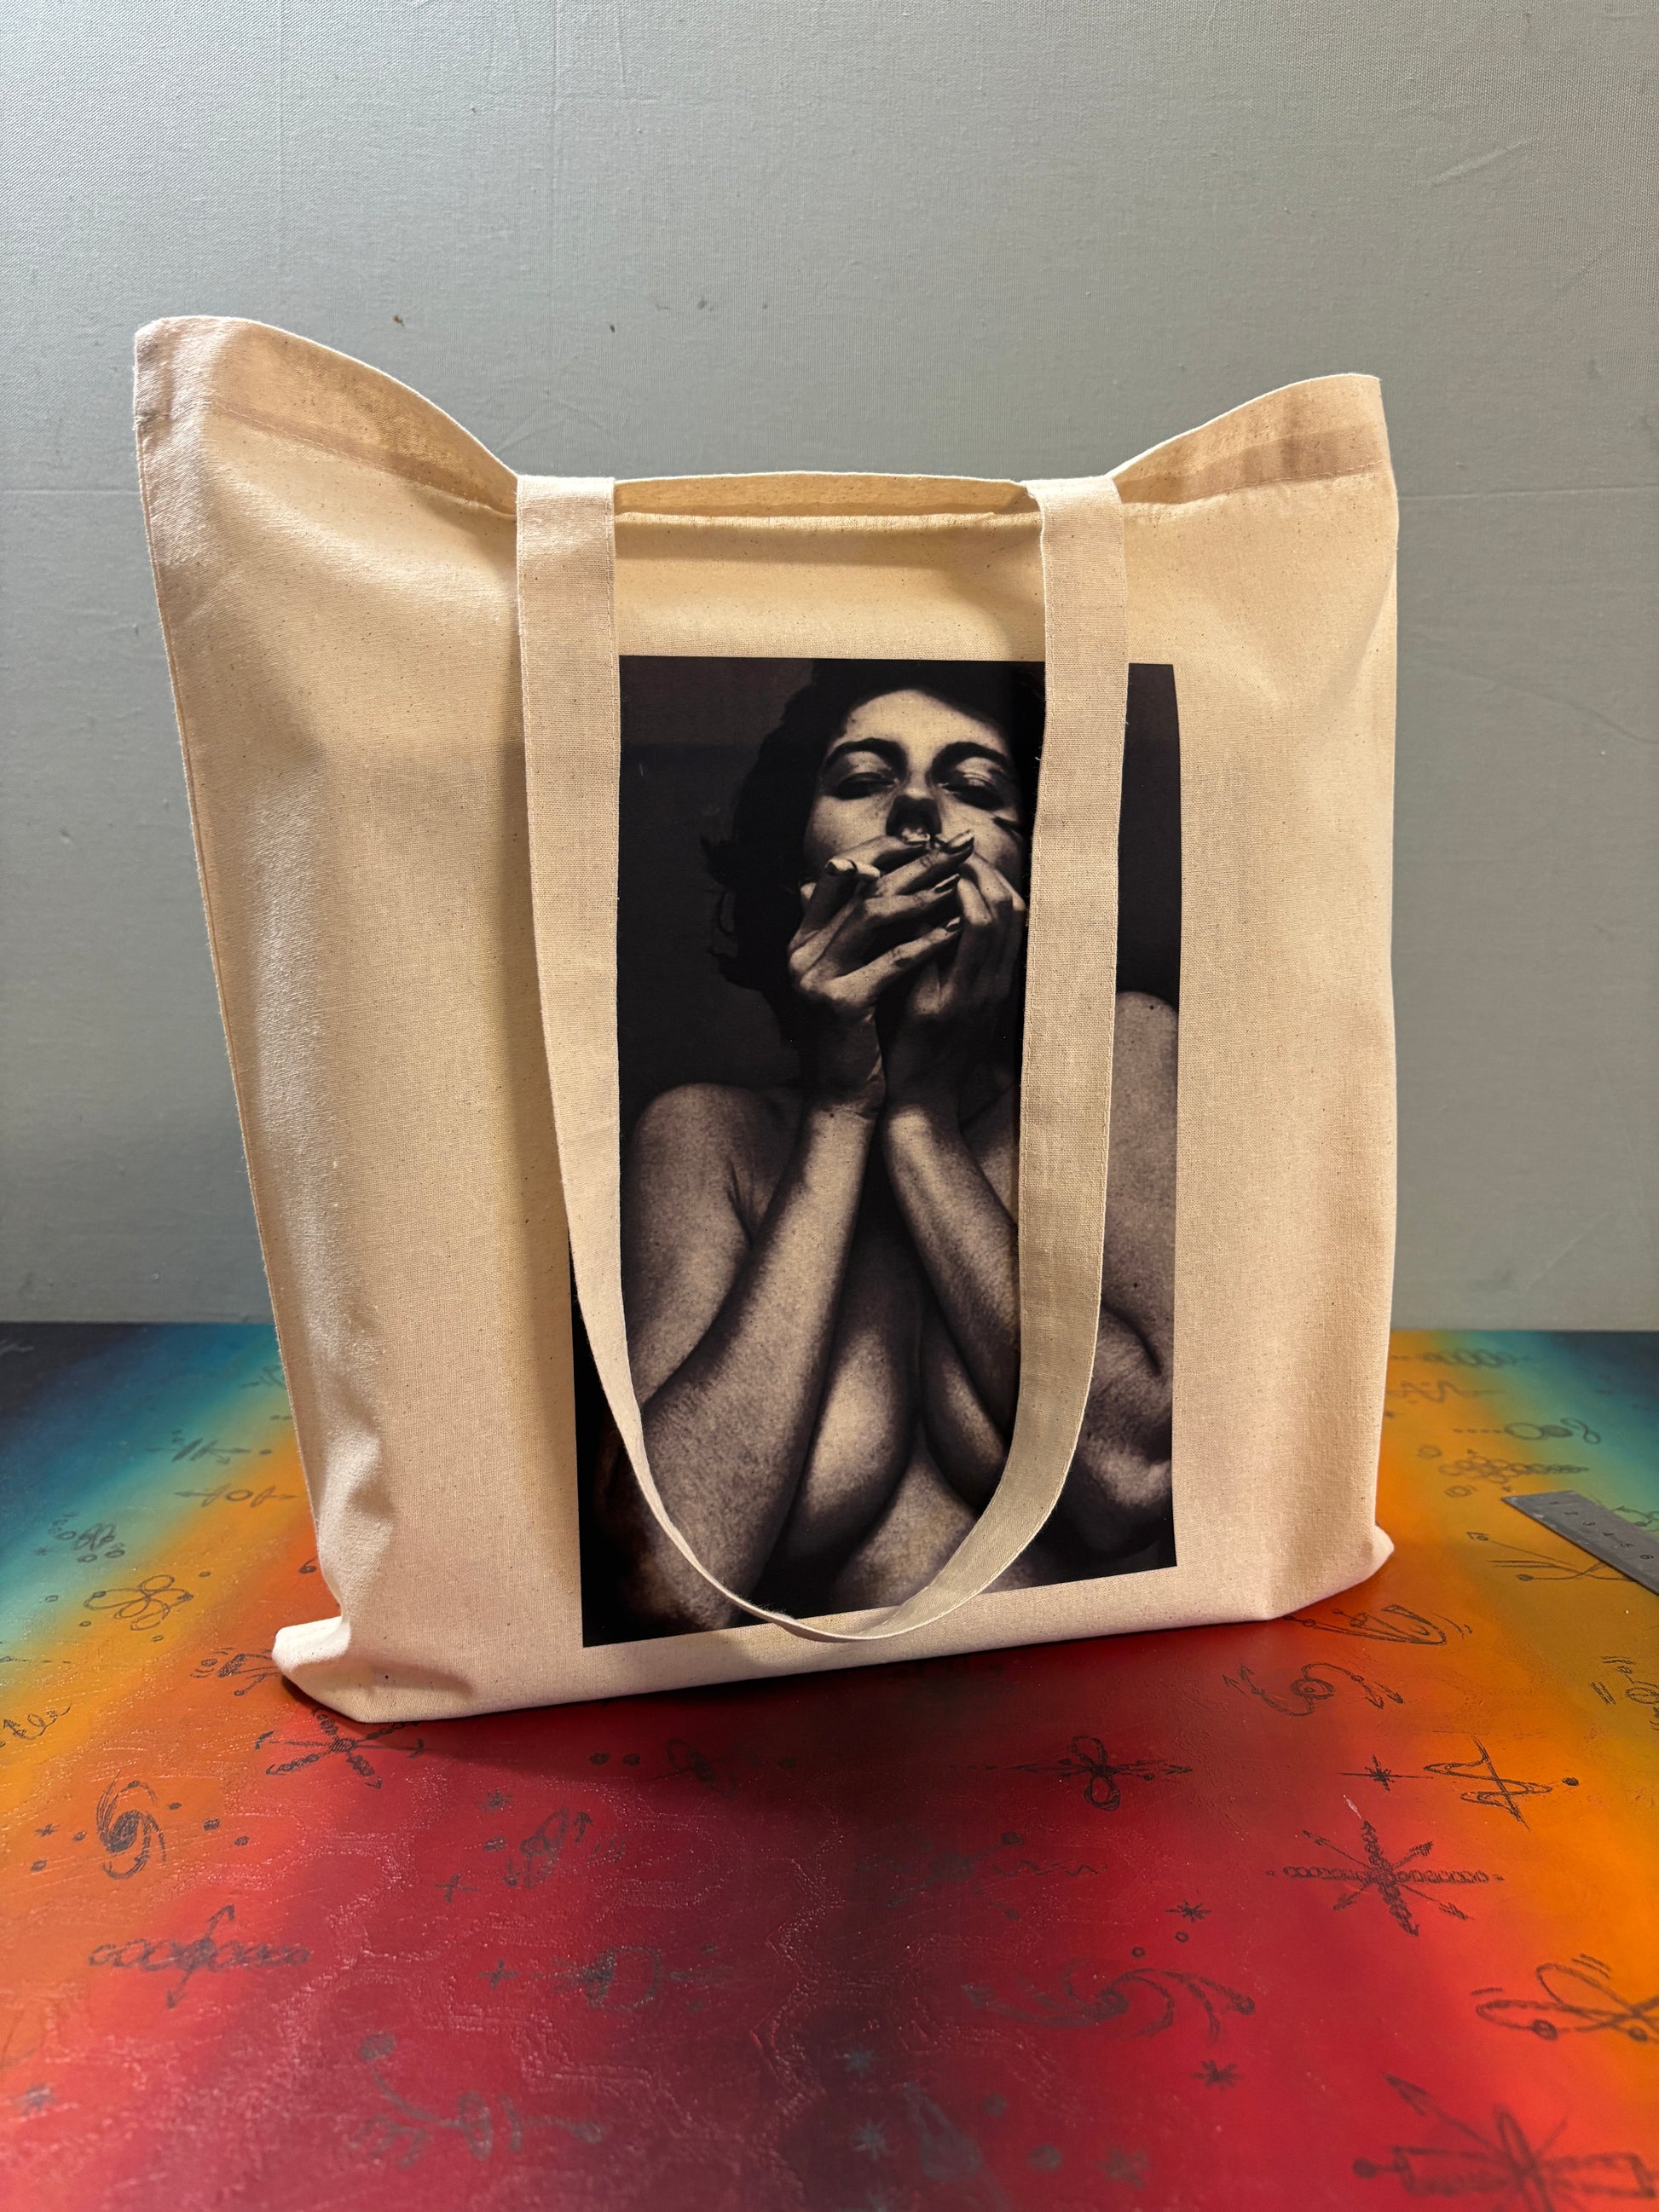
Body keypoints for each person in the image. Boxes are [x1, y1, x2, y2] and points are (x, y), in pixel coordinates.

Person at [596, 661, 1176, 1633]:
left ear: (1035, 872)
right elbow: (672, 1586)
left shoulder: (1124, 1058)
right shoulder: (708, 1137)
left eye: (975, 786)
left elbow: (1130, 1480)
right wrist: (843, 1109)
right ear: (797, 867)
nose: (915, 809)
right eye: (862, 779)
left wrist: (920, 1123)